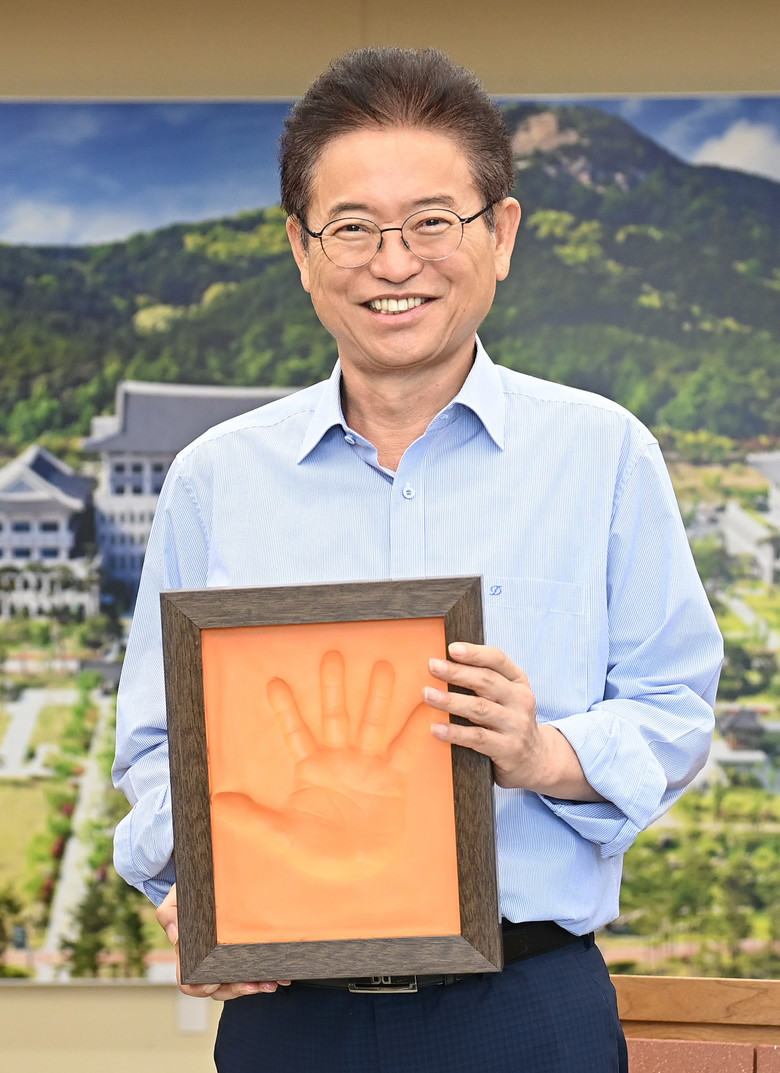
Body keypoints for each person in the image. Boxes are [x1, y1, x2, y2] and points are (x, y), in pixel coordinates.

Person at [113, 46, 723, 1073]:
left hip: (528, 1008)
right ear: (301, 248)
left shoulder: (603, 452)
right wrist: (197, 887)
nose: (394, 263)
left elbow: (674, 707)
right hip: (288, 1016)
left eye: (433, 221)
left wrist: (542, 751)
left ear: (501, 234)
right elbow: (156, 745)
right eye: (352, 227)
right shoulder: (217, 478)